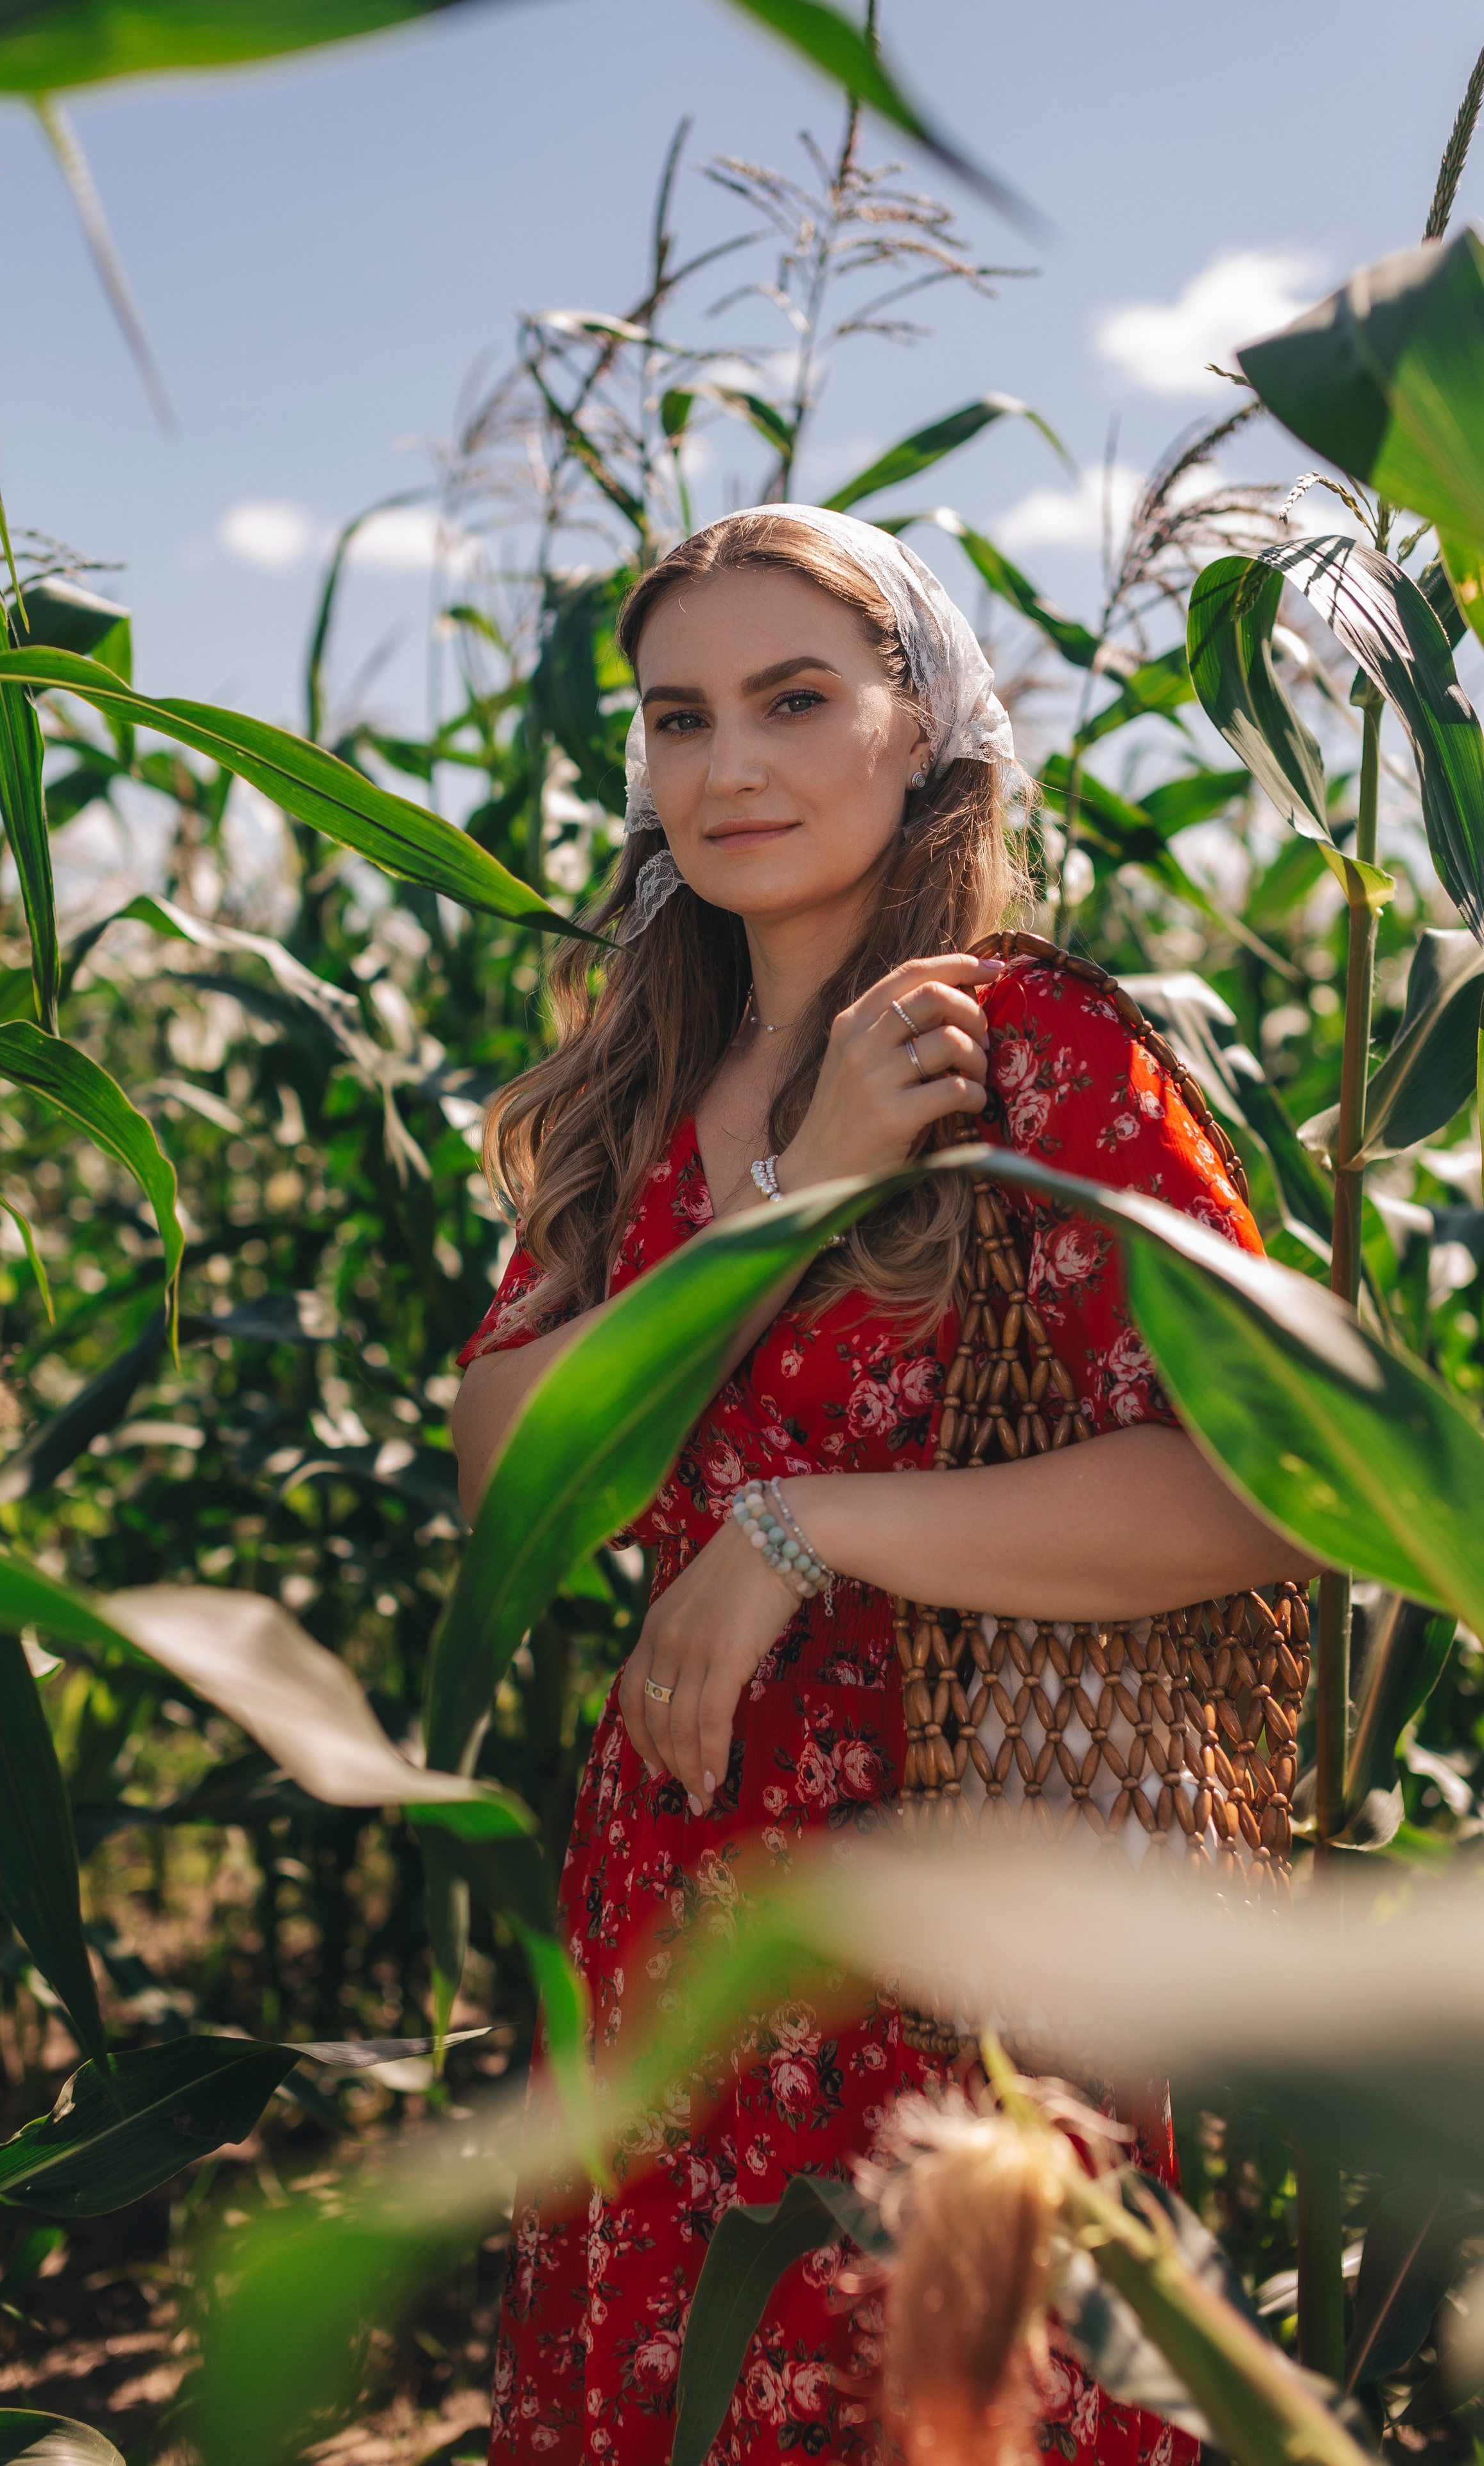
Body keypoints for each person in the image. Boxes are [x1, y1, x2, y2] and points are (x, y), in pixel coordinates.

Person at [451, 506, 1309, 2465]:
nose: (728, 766)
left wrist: (799, 1530)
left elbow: (1266, 1493)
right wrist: (796, 1192)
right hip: (676, 1898)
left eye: (795, 699)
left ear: (920, 725)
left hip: (967, 1898)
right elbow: (516, 1483)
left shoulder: (1048, 1058)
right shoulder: (631, 1083)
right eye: (680, 718)